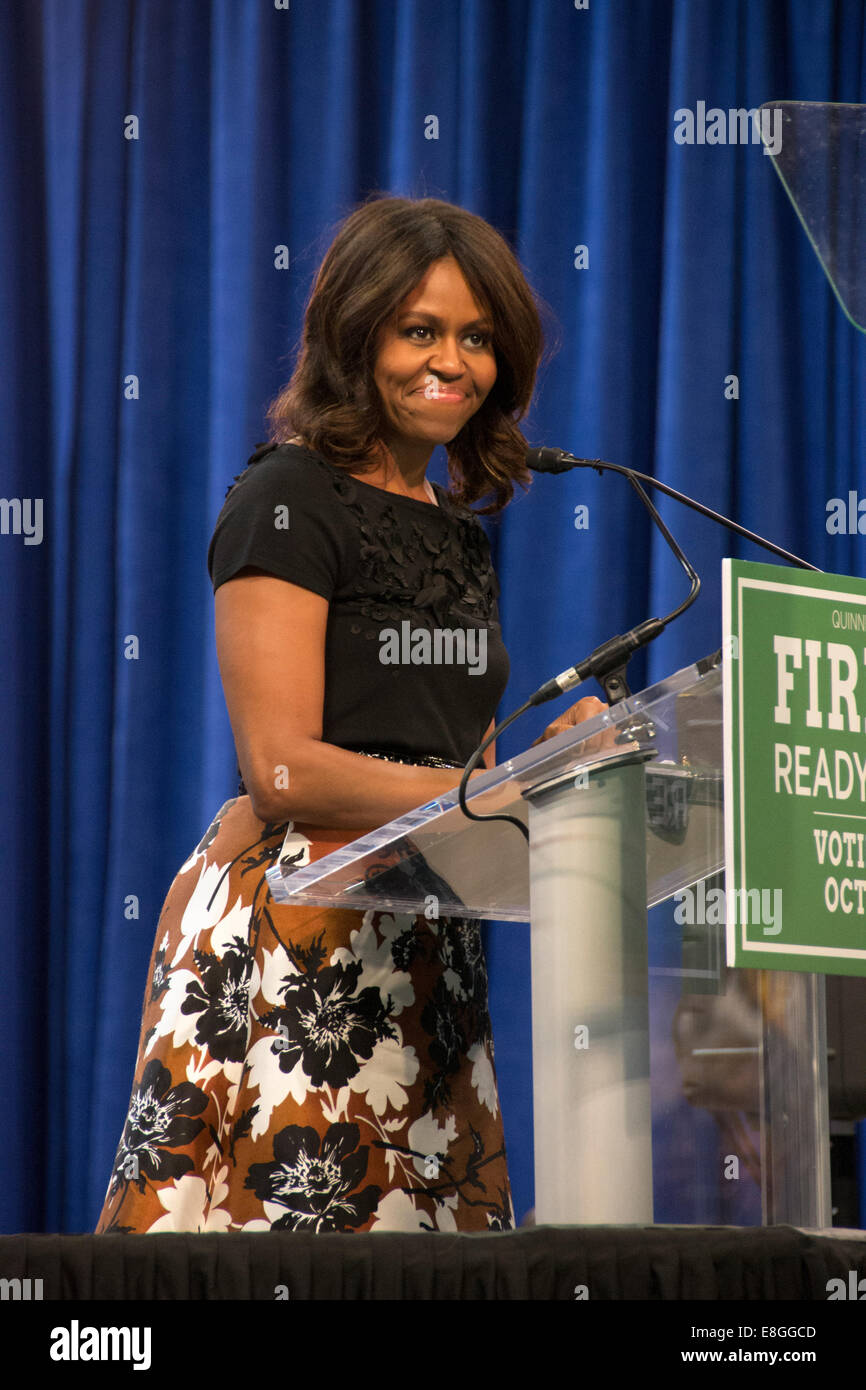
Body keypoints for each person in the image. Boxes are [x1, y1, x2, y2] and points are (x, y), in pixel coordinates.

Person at [95, 194, 604, 1235]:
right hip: (293, 943)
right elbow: (281, 768)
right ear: (356, 334)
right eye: (419, 330)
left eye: (475, 338)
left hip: (426, 947)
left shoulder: (456, 535)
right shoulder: (285, 498)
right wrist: (487, 790)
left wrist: (558, 767)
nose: (450, 361)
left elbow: (464, 770)